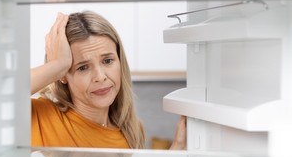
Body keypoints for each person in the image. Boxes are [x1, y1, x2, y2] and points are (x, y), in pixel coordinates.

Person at [31, 11, 186, 149]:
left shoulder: (132, 130)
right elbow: (6, 91)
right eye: (83, 67)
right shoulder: (41, 117)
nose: (100, 76)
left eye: (107, 61)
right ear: (63, 75)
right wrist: (58, 64)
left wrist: (178, 147)